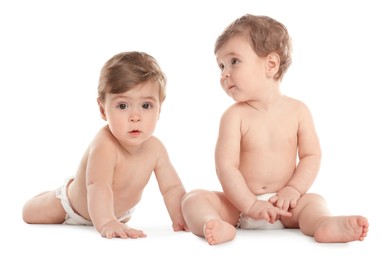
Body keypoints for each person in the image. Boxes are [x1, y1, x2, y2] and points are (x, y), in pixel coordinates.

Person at [181, 14, 369, 246]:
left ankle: (323, 223)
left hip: (285, 205)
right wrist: (249, 204)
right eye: (221, 66)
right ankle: (213, 223)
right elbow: (225, 167)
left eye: (234, 61)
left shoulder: (298, 111)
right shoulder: (234, 116)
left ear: (271, 64)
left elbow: (311, 156)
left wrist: (294, 190)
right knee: (193, 198)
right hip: (239, 206)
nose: (224, 73)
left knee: (314, 202)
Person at [23, 51, 188, 239]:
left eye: (146, 106)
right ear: (103, 109)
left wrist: (181, 217)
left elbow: (171, 188)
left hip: (117, 214)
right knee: (29, 213)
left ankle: (107, 216)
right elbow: (98, 186)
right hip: (75, 208)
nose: (135, 117)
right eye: (123, 106)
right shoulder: (105, 144)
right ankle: (54, 194)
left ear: (159, 110)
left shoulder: (156, 149)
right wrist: (107, 222)